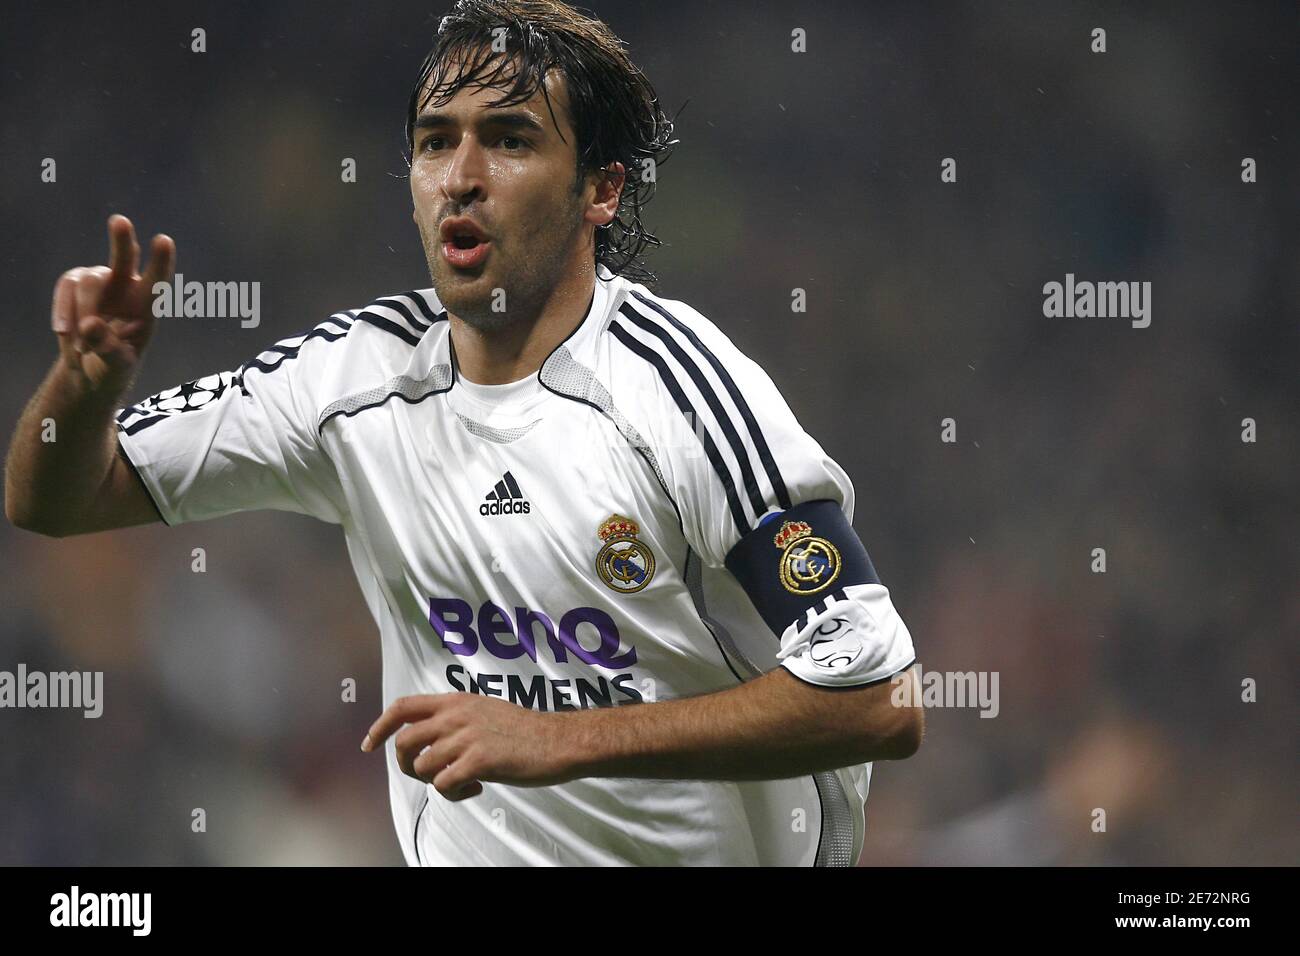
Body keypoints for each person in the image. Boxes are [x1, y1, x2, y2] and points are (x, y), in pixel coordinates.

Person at [5, 0, 922, 866]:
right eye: (436, 142)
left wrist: (556, 741)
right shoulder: (348, 380)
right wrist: (84, 388)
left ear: (601, 190)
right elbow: (57, 499)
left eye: (510, 140)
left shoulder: (676, 391)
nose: (462, 176)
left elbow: (879, 699)